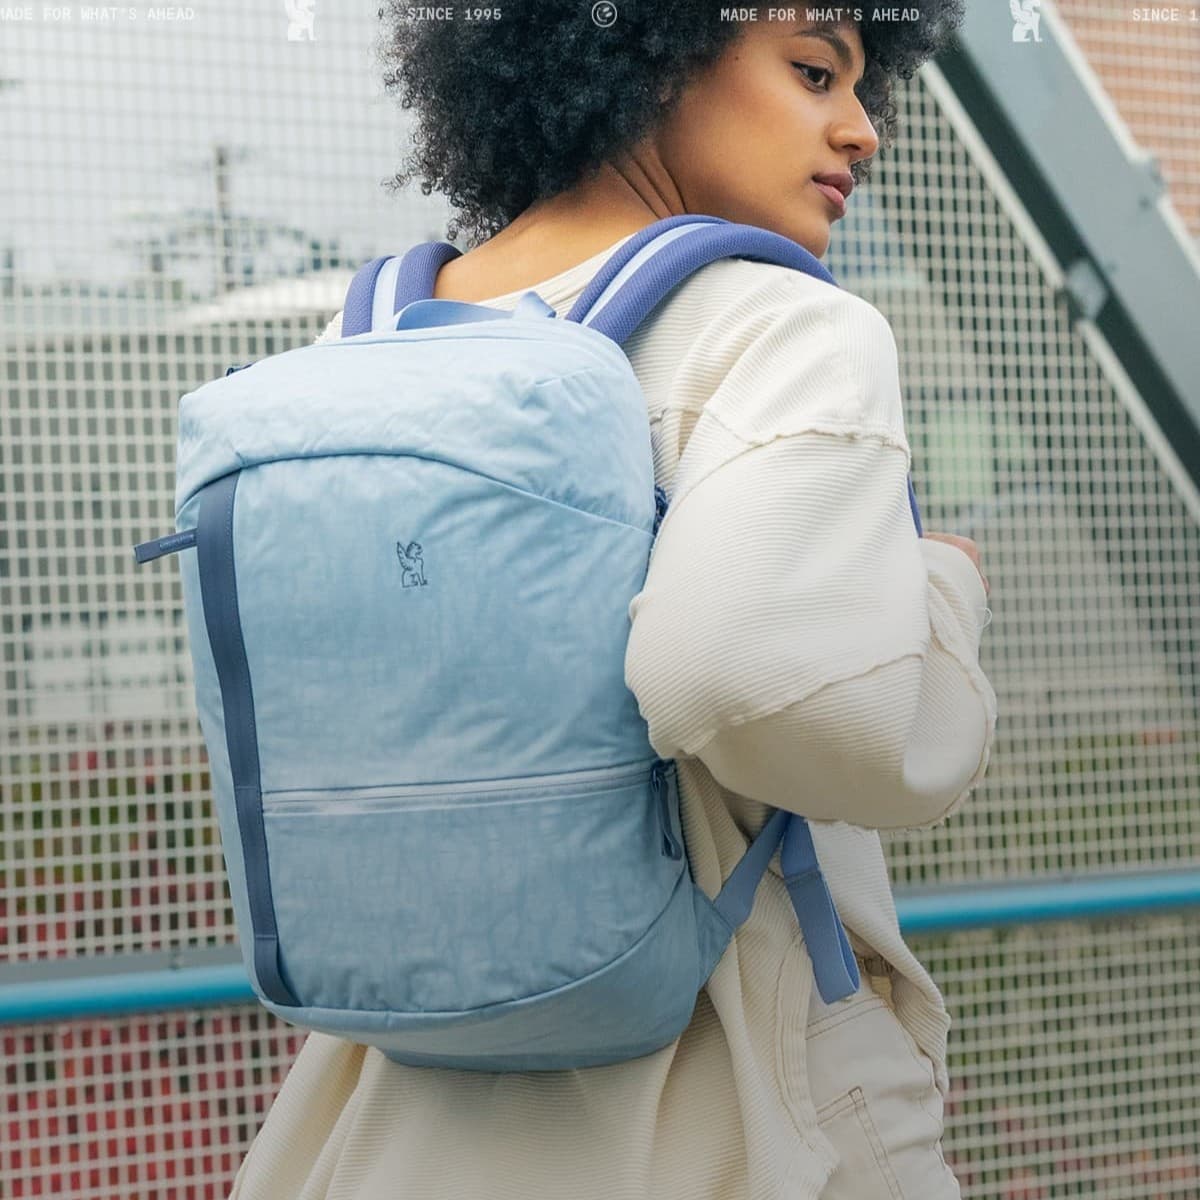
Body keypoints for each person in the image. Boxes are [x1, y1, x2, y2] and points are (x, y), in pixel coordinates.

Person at [228, 4, 997, 1198]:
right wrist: (943, 589)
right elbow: (769, 693)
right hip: (728, 1092)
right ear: (656, 52)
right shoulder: (788, 325)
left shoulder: (357, 341)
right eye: (814, 72)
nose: (862, 130)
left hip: (399, 1105)